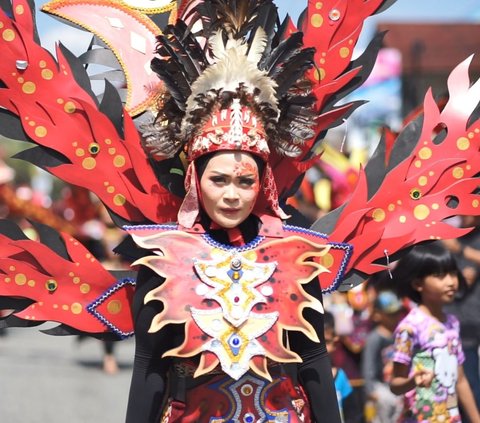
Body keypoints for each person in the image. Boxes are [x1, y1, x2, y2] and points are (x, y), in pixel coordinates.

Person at [390, 243, 480, 422]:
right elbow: (395, 384)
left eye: (453, 273)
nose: (451, 281)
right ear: (417, 284)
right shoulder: (409, 327)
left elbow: (460, 380)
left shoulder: (452, 323)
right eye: (440, 275)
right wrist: (412, 381)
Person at [361, 289, 404, 423]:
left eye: (397, 313)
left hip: (398, 388)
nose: (395, 317)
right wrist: (371, 390)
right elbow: (368, 366)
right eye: (390, 314)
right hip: (381, 389)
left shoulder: (401, 335)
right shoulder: (374, 338)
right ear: (378, 315)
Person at [324, 310, 353, 422]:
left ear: (335, 342)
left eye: (325, 342)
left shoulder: (340, 376)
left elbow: (352, 414)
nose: (320, 350)